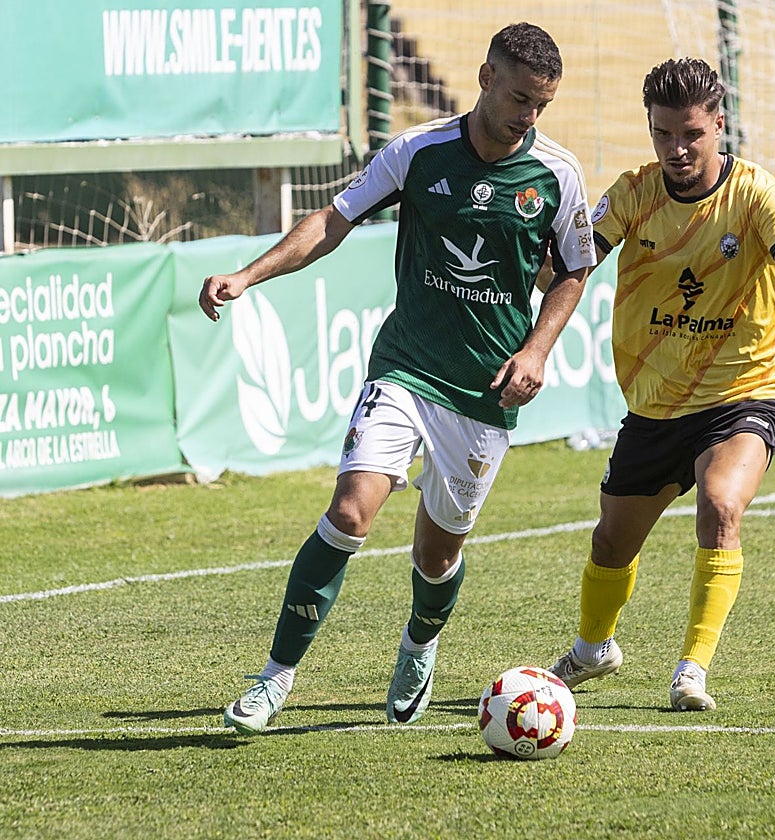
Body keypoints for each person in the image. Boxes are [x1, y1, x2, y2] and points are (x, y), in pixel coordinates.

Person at [200, 22, 595, 734]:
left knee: (437, 555)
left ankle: (420, 642)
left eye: (541, 104)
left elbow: (574, 271)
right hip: (407, 368)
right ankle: (272, 680)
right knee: (351, 511)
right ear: (484, 77)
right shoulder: (418, 152)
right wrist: (247, 275)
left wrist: (536, 351)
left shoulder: (557, 175)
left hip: (484, 395)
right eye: (518, 97)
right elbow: (333, 219)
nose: (527, 116)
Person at [548, 57, 775, 712]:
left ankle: (691, 671)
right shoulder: (631, 193)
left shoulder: (758, 194)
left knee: (721, 504)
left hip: (743, 393)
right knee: (610, 544)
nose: (677, 149)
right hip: (654, 406)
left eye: (691, 135)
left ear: (718, 124)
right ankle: (594, 648)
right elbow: (576, 262)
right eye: (663, 135)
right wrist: (544, 269)